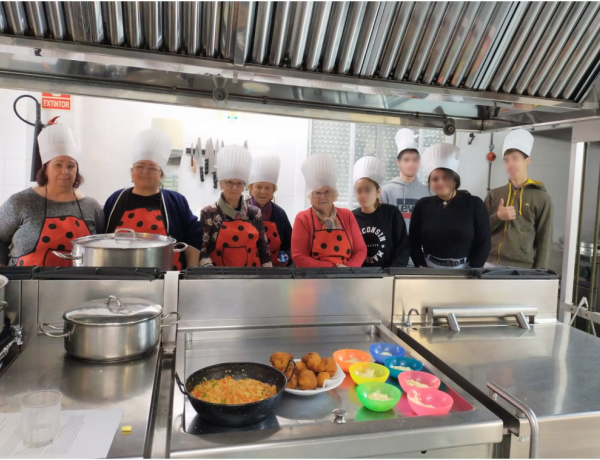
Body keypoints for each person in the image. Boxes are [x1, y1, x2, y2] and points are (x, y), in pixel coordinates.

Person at [0, 124, 104, 266]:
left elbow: (100, 247)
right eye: (58, 165)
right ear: (46, 168)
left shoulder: (91, 206)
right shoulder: (21, 202)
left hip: (77, 284)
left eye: (71, 166)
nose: (65, 171)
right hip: (23, 284)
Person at [104, 129, 203, 270]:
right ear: (131, 172)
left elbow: (193, 236)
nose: (145, 171)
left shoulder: (175, 201)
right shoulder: (115, 200)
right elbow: (101, 239)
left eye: (152, 168)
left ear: (161, 174)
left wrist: (191, 271)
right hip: (119, 276)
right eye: (139, 166)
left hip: (168, 279)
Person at [410, 143, 491, 269]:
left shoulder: (474, 204)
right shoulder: (423, 205)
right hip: (429, 269)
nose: (440, 182)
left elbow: (484, 242)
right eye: (435, 179)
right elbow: (413, 241)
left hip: (465, 269)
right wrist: (421, 266)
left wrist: (473, 269)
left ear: (454, 179)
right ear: (430, 182)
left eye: (445, 177)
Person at [485, 130, 553, 269]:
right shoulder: (494, 194)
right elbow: (480, 230)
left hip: (522, 267)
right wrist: (498, 216)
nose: (510, 164)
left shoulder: (542, 198)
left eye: (515, 158)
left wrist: (540, 273)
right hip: (489, 263)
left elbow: (544, 240)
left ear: (527, 160)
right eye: (506, 160)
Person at [199, 145, 272, 267]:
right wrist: (210, 276)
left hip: (252, 277)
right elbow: (203, 249)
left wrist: (267, 276)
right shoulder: (209, 212)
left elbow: (263, 247)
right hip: (219, 277)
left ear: (244, 186)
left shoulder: (254, 213)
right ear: (221, 184)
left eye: (239, 183)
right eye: (229, 183)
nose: (234, 187)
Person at [292, 154, 367, 268]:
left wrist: (348, 269)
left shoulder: (347, 215)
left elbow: (360, 249)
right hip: (313, 278)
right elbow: (299, 256)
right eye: (317, 192)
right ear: (310, 197)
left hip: (345, 276)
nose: (322, 197)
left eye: (327, 192)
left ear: (334, 195)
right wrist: (331, 269)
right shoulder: (303, 218)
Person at [352, 156, 410, 268]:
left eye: (368, 190)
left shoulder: (391, 214)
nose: (363, 195)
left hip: (387, 276)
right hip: (358, 276)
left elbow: (403, 247)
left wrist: (391, 272)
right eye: (359, 191)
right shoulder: (351, 217)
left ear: (378, 191)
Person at [247, 152, 293, 266]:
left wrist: (286, 258)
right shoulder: (240, 211)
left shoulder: (280, 214)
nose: (263, 191)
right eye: (258, 187)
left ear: (273, 191)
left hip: (274, 272)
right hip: (246, 271)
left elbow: (290, 246)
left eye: (268, 188)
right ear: (250, 189)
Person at [380, 128, 430, 231]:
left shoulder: (427, 191)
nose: (411, 163)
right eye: (406, 160)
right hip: (394, 245)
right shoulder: (386, 191)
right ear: (398, 162)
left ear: (419, 162)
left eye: (415, 159)